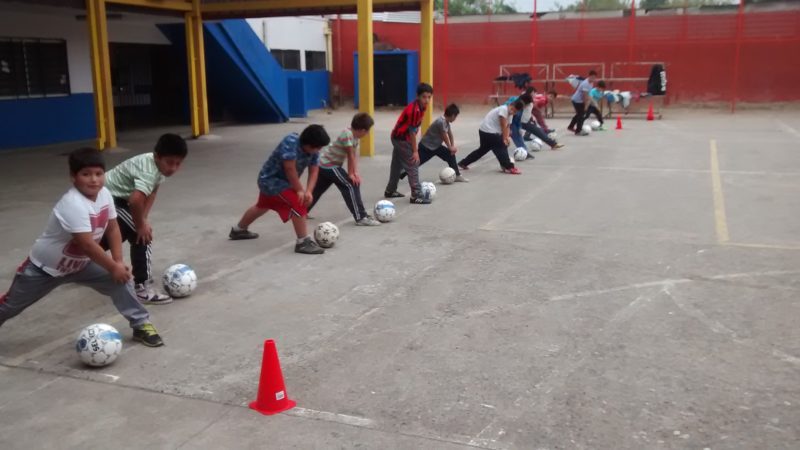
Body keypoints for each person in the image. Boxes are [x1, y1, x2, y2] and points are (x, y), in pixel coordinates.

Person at [0, 148, 163, 347]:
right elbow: (86, 244)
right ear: (73, 177)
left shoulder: (104, 194)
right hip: (45, 269)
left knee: (122, 280)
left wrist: (118, 262)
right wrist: (112, 267)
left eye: (98, 174)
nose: (94, 180)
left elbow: (112, 228)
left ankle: (140, 324)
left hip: (81, 265)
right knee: (9, 306)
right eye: (86, 174)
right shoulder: (72, 204)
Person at [103, 133, 187, 305]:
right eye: (169, 162)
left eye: (178, 164)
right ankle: (142, 286)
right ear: (158, 156)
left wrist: (143, 218)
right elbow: (135, 201)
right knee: (141, 233)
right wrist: (140, 225)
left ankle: (82, 256)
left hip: (108, 197)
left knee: (131, 227)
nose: (173, 168)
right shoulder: (150, 171)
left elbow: (151, 192)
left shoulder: (156, 165)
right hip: (107, 198)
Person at [229, 125, 330, 255]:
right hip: (271, 181)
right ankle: (303, 242)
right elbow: (289, 168)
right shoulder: (291, 142)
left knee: (262, 205)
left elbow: (314, 170)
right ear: (308, 143)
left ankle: (238, 230)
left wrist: (309, 191)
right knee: (298, 203)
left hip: (285, 183)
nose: (319, 150)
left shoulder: (314, 151)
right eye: (317, 147)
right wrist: (299, 190)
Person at [308, 113, 381, 226]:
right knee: (350, 184)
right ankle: (361, 217)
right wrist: (351, 175)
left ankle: (301, 211)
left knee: (317, 190)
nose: (368, 133)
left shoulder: (354, 137)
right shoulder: (347, 134)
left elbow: (354, 156)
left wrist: (355, 172)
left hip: (325, 165)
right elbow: (350, 155)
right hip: (329, 165)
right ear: (362, 130)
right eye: (368, 131)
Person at [384, 83, 433, 204]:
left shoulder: (422, 106)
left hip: (397, 137)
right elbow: (411, 132)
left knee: (396, 165)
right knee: (413, 164)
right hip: (401, 139)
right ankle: (416, 195)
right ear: (417, 96)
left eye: (429, 97)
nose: (426, 100)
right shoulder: (414, 110)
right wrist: (415, 151)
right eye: (424, 97)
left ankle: (390, 190)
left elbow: (415, 127)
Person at [401, 103, 468, 183]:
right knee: (417, 162)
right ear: (453, 115)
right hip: (426, 147)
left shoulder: (446, 122)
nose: (455, 119)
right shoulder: (441, 122)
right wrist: (449, 147)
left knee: (451, 155)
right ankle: (400, 172)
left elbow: (450, 134)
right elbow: (444, 136)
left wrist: (452, 146)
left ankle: (456, 175)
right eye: (456, 117)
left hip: (436, 146)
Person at [458, 99, 524, 175]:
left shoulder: (510, 114)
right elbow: (503, 125)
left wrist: (507, 137)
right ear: (511, 105)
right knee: (501, 146)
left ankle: (463, 163)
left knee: (482, 150)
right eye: (512, 109)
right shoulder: (503, 109)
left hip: (485, 131)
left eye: (515, 112)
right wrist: (505, 139)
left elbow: (508, 126)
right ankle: (509, 167)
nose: (513, 112)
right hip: (488, 131)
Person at [568, 70, 597, 135]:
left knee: (579, 114)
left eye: (594, 78)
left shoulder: (591, 83)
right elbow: (585, 96)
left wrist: (591, 102)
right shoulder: (585, 84)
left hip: (580, 100)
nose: (593, 79)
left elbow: (588, 94)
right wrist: (586, 106)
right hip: (577, 100)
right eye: (592, 77)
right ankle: (578, 131)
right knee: (581, 115)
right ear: (589, 76)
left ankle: (571, 126)